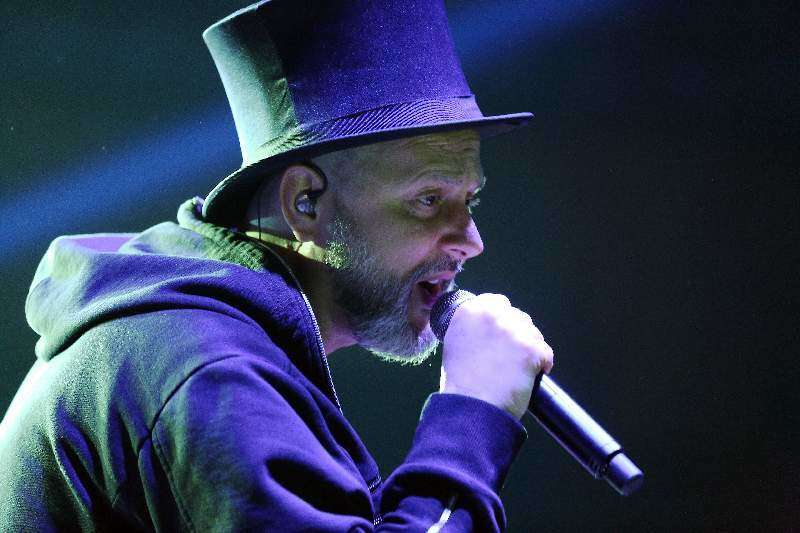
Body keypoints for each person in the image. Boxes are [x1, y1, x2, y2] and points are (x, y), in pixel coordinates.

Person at [0, 1, 554, 531]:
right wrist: (472, 413)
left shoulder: (197, 334)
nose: (471, 241)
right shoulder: (206, 366)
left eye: (469, 200)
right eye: (428, 200)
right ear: (304, 203)